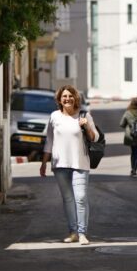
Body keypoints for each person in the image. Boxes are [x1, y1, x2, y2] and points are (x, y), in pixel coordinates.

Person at [40, 85, 99, 245]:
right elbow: (49, 141)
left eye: (70, 96)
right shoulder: (54, 116)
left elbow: (94, 138)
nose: (67, 99)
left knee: (81, 198)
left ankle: (82, 233)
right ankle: (73, 232)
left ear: (75, 98)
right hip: (60, 164)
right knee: (68, 199)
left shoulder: (84, 115)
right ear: (59, 100)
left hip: (80, 163)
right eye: (64, 96)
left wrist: (86, 126)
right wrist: (44, 163)